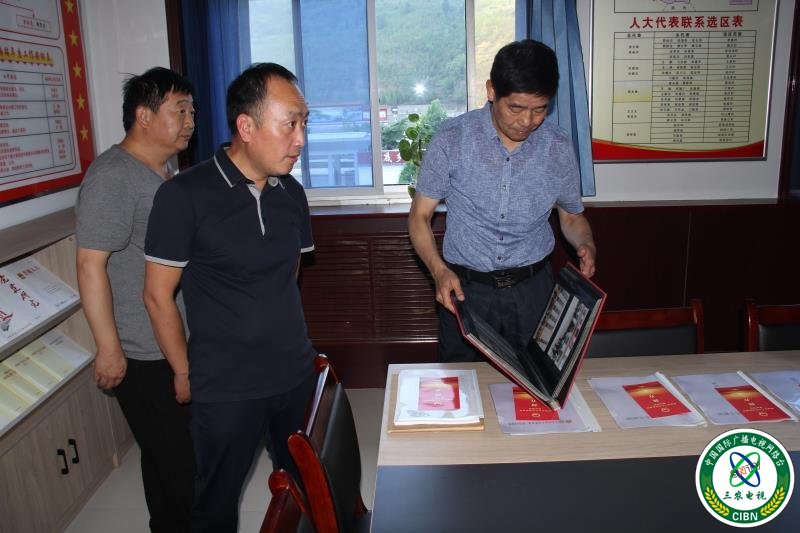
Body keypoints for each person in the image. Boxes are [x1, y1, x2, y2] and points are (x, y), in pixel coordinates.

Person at [142, 63, 316, 533]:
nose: (300, 139)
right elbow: (157, 295)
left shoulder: (291, 193)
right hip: (225, 383)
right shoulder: (184, 195)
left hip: (294, 372)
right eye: (290, 124)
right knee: (216, 502)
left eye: (304, 123)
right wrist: (184, 371)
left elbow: (289, 274)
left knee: (306, 489)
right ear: (246, 126)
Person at [408, 39, 597, 362]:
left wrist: (586, 243)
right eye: (516, 108)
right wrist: (439, 271)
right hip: (466, 289)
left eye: (540, 109)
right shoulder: (452, 139)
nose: (527, 121)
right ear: (492, 91)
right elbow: (419, 216)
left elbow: (571, 216)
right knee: (463, 381)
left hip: (534, 291)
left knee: (537, 381)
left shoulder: (558, 146)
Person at [75, 67, 196, 532]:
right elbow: (90, 265)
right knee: (182, 465)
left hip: (171, 337)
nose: (190, 121)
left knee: (165, 458)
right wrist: (109, 349)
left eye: (192, 111)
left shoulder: (163, 172)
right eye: (179, 111)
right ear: (143, 116)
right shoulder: (113, 177)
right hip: (143, 351)